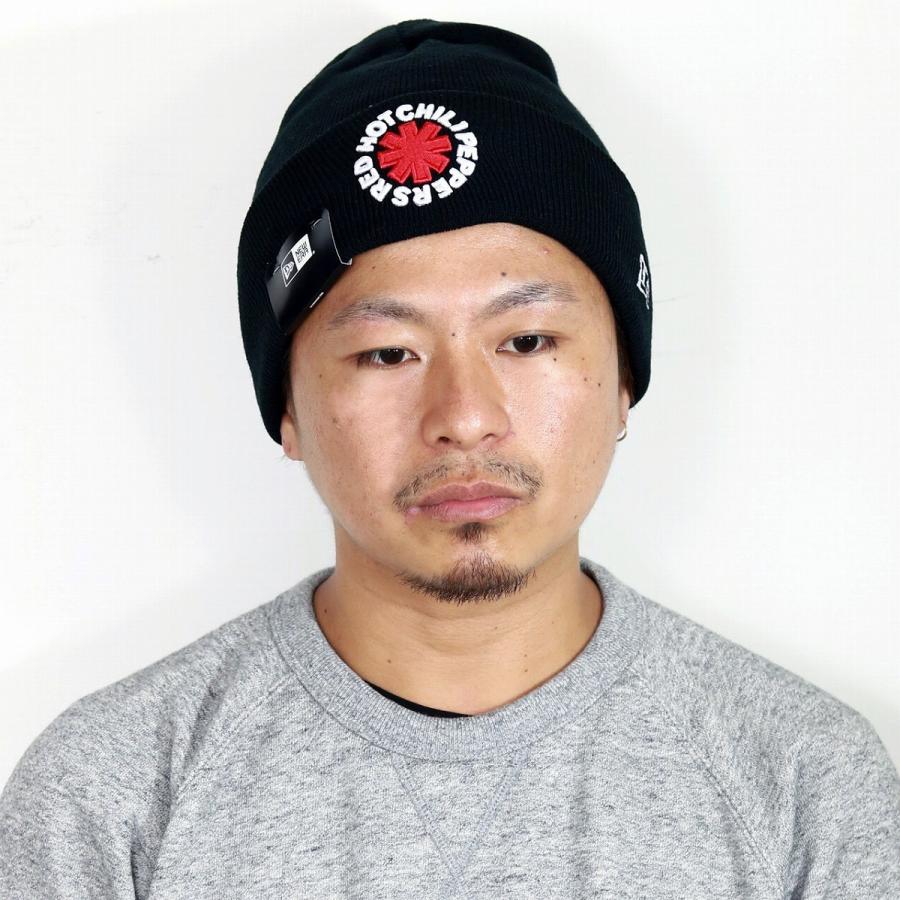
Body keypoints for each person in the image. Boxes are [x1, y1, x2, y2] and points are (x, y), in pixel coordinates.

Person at [1, 18, 898, 898]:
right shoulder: (111, 799)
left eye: (528, 340)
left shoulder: (805, 787)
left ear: (625, 377)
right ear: (288, 410)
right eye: (387, 352)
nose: (465, 418)